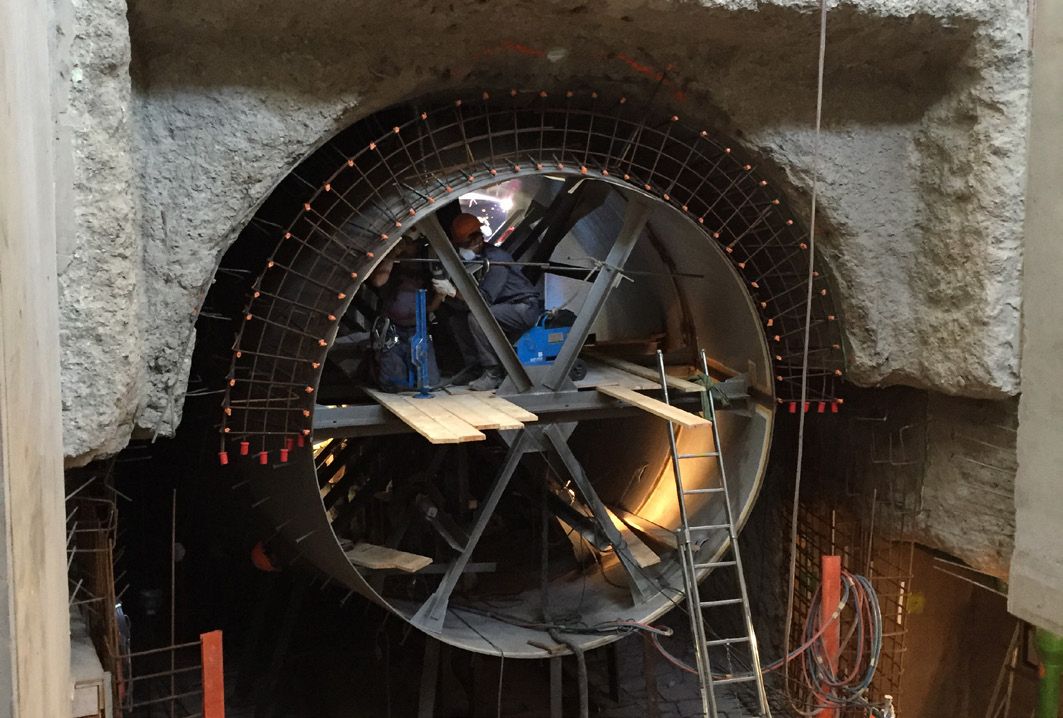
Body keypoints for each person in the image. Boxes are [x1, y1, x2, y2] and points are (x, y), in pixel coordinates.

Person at [441, 213, 542, 391]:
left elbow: (484, 299)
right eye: (461, 245)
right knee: (457, 320)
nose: (463, 248)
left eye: (465, 244)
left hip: (523, 308)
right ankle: (474, 367)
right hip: (505, 306)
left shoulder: (496, 259)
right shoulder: (479, 258)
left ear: (478, 239)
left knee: (477, 318)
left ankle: (493, 372)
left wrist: (453, 292)